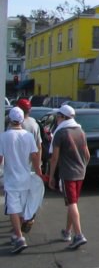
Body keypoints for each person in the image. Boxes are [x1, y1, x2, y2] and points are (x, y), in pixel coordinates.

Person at [0, 107, 43, 254]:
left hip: (11, 179)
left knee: (13, 208)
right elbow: (35, 156)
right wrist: (38, 172)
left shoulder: (4, 137)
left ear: (10, 120)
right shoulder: (28, 136)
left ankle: (19, 237)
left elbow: (0, 159)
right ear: (22, 120)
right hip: (25, 178)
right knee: (21, 208)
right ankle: (16, 234)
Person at [47, 104, 90, 249]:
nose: (57, 119)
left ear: (63, 117)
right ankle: (67, 232)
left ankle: (78, 235)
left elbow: (54, 158)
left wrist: (51, 176)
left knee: (71, 203)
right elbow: (87, 155)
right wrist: (82, 166)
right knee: (73, 203)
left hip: (68, 173)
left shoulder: (61, 133)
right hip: (80, 173)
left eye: (58, 117)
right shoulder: (80, 131)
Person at [17, 98, 45, 233]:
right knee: (32, 194)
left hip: (18, 165)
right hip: (32, 164)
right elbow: (39, 146)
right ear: (30, 110)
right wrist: (38, 165)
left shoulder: (15, 124)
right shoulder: (34, 124)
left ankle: (22, 221)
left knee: (20, 195)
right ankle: (29, 216)